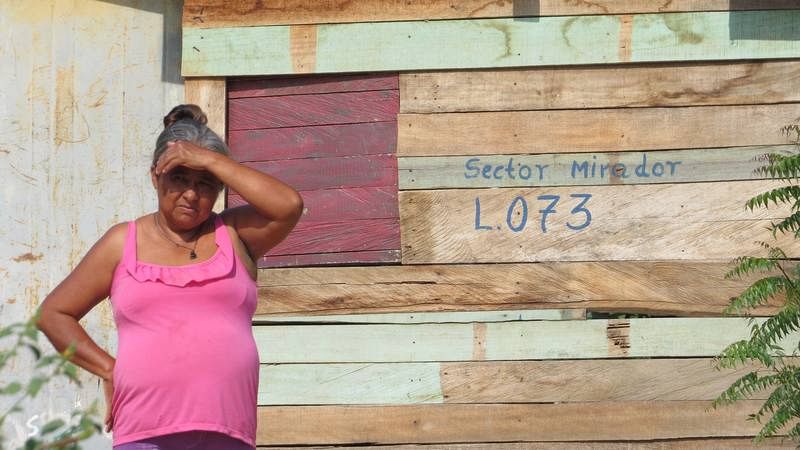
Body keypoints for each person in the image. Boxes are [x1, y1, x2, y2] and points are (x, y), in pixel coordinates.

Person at [35, 104, 304, 450]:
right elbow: (54, 314)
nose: (191, 194)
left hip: (227, 431)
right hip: (144, 430)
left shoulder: (235, 234)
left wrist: (210, 159)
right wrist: (107, 369)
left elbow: (289, 206)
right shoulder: (123, 242)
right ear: (155, 176)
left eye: (206, 184)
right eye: (179, 178)